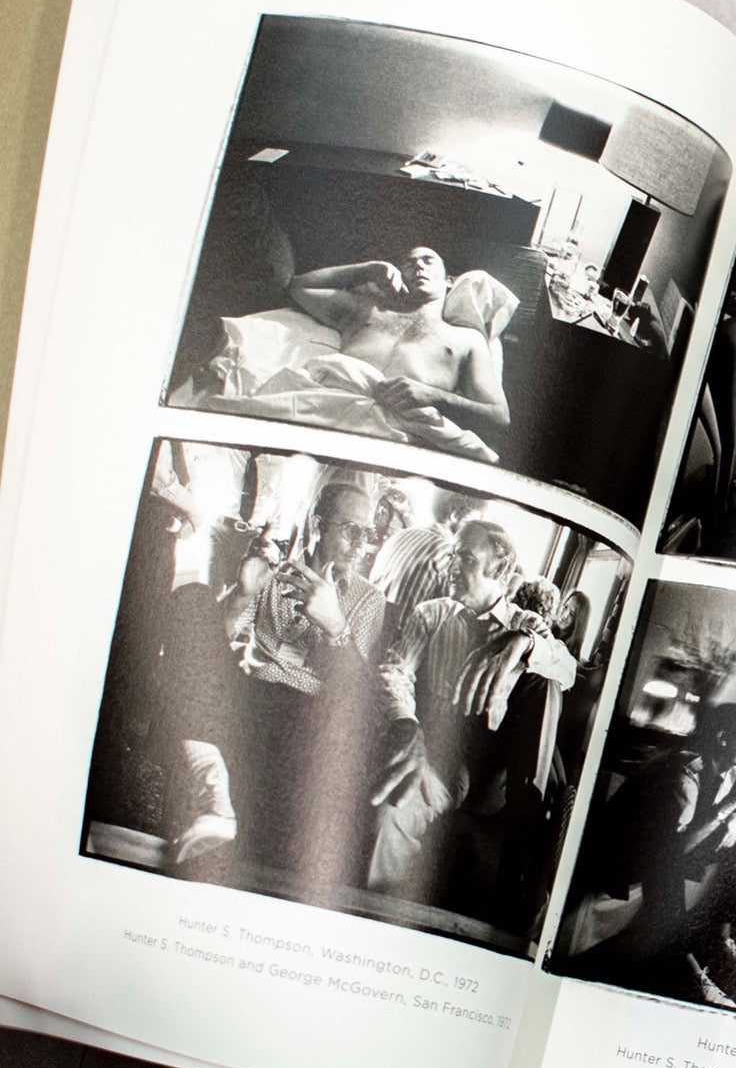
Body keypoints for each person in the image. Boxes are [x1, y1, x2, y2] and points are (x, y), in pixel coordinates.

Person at [163, 481, 386, 881]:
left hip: (310, 711)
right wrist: (243, 594)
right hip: (250, 692)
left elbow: (357, 694)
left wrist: (335, 624)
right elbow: (216, 642)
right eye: (351, 529)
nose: (361, 545)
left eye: (367, 534)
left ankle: (223, 814)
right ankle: (213, 793)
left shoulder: (368, 599)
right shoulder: (275, 569)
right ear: (318, 525)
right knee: (192, 598)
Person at [368, 518, 577, 914]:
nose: (450, 566)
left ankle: (523, 861)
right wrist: (406, 723)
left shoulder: (525, 624)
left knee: (545, 685)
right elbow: (394, 671)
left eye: (465, 558)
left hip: (500, 774)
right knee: (390, 814)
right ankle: (377, 914)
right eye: (452, 556)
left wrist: (522, 644)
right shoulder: (432, 614)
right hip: (439, 756)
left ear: (499, 568)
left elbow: (567, 671)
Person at [579, 702, 736, 1005]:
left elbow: (701, 821)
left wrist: (733, 817)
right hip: (617, 859)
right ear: (723, 738)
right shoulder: (683, 773)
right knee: (667, 869)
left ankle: (720, 938)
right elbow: (672, 848)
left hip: (656, 850)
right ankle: (689, 971)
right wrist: (733, 805)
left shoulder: (727, 770)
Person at [289, 246, 510, 435]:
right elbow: (299, 287)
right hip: (325, 414)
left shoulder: (466, 338)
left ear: (448, 282)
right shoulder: (367, 311)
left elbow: (499, 416)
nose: (418, 265)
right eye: (409, 263)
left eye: (428, 260)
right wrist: (365, 270)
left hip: (398, 437)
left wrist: (435, 397)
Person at [368, 490, 481, 637]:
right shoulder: (448, 553)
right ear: (455, 516)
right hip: (400, 642)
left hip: (367, 629)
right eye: (474, 521)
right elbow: (453, 614)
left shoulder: (400, 535)